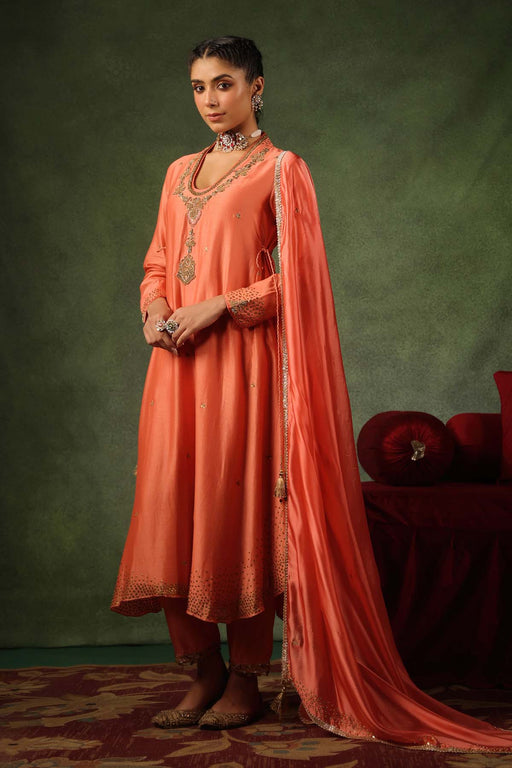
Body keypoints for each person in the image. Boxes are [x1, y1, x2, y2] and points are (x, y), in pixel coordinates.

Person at [111, 36, 512, 751]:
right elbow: (159, 261)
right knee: (175, 509)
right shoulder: (178, 172)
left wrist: (219, 305)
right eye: (199, 86)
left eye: (224, 83)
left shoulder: (282, 169)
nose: (210, 99)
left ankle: (246, 678)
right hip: (174, 367)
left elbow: (300, 278)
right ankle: (201, 672)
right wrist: (153, 309)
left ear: (257, 87)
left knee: (236, 511)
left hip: (243, 366)